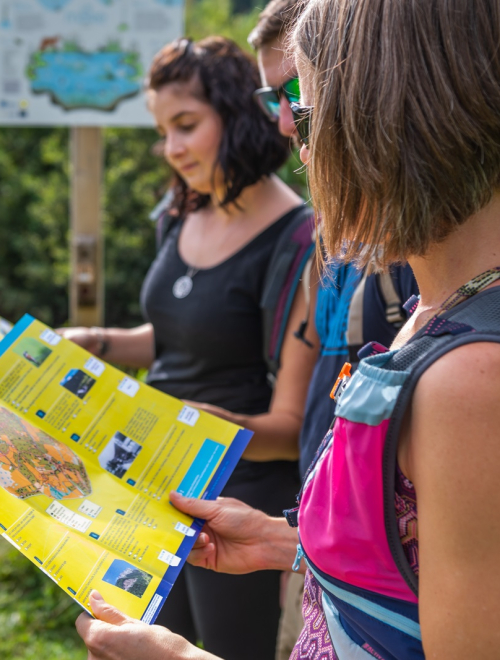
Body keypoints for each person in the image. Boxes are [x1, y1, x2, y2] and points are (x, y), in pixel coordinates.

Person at [75, 0, 500, 657]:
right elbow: (415, 559)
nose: (289, 134)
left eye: (300, 101)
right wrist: (286, 541)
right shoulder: (436, 313)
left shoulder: (470, 382)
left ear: (382, 112)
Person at [60, 36, 319, 659]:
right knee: (127, 640)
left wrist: (187, 425)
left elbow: (288, 426)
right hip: (146, 473)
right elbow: (177, 335)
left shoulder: (301, 241)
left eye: (186, 125)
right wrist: (93, 344)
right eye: (162, 130)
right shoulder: (178, 212)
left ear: (237, 114)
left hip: (235, 494)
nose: (171, 149)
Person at [248, 1, 419, 657]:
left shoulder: (425, 256)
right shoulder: (331, 230)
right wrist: (289, 538)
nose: (287, 119)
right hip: (327, 534)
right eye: (272, 98)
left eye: (297, 90)